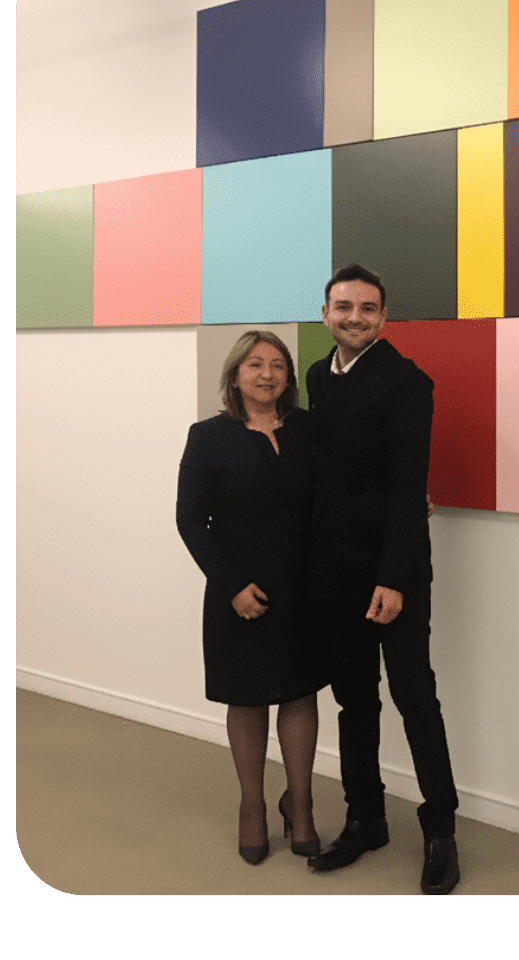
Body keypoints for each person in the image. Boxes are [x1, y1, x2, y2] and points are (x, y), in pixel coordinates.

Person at [304, 264, 460, 895]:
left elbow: (407, 487)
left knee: (415, 698)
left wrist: (392, 579)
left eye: (367, 308)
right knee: (354, 702)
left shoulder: (407, 383)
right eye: (344, 307)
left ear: (384, 318)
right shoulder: (317, 377)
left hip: (396, 574)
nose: (355, 318)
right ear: (325, 314)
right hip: (335, 572)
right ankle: (365, 819)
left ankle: (441, 831)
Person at [176, 330, 327, 865]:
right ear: (235, 375)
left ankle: (301, 805)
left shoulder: (310, 429)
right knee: (246, 698)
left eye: (278, 365)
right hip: (237, 591)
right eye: (255, 364)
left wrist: (406, 502)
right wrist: (230, 586)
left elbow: (345, 489)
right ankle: (252, 806)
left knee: (300, 693)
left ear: (289, 376)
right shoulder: (207, 436)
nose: (267, 374)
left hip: (304, 588)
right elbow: (190, 521)